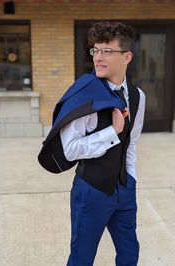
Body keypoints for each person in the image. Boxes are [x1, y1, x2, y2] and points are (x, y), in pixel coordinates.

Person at [59, 21, 145, 266]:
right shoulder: (83, 95)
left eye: (107, 51)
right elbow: (70, 149)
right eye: (95, 50)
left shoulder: (138, 96)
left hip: (124, 189)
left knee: (130, 255)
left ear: (126, 56)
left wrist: (130, 181)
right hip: (91, 191)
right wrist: (112, 131)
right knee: (81, 259)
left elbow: (132, 143)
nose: (98, 57)